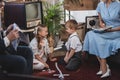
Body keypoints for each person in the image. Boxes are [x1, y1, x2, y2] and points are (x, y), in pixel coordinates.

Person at [83, 0, 120, 78]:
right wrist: (101, 24)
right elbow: (100, 20)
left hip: (116, 31)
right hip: (106, 30)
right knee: (90, 34)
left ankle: (103, 67)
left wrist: (112, 30)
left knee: (98, 39)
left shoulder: (118, 5)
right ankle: (104, 64)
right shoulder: (100, 5)